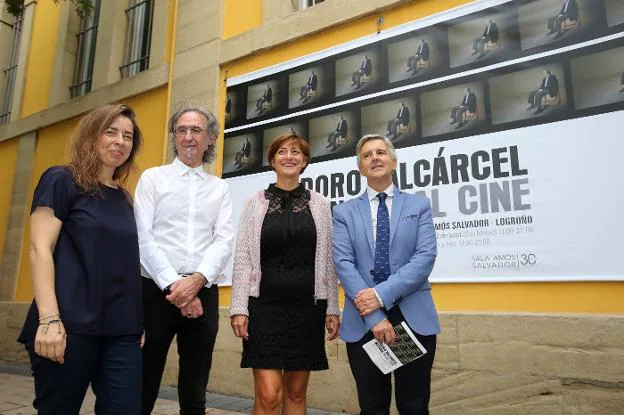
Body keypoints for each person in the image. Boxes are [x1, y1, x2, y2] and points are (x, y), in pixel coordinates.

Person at [17, 104, 144, 414]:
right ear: (91, 136)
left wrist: (136, 321)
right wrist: (49, 320)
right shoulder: (61, 179)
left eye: (127, 136)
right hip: (67, 326)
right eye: (110, 132)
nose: (120, 141)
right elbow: (39, 249)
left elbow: (126, 264)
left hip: (121, 331)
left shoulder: (124, 198)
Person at [230, 132, 340, 415]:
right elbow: (242, 258)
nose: (289, 156)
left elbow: (328, 259)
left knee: (295, 392)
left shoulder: (321, 204)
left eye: (295, 152)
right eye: (282, 151)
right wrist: (238, 308)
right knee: (268, 395)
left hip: (307, 308)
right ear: (272, 161)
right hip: (264, 308)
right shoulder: (254, 203)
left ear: (304, 161)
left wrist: (332, 308)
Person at [134, 105, 234, 415]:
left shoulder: (220, 188)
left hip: (203, 292)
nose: (188, 137)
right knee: (142, 381)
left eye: (196, 130)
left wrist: (196, 282)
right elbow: (142, 237)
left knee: (195, 386)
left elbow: (224, 240)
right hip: (154, 291)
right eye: (182, 130)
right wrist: (176, 286)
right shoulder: (152, 179)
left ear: (211, 139)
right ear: (174, 137)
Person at [332, 134, 439, 415]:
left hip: (411, 319)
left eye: (381, 152)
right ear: (360, 169)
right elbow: (343, 263)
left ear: (393, 162)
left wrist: (380, 295)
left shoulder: (418, 206)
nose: (375, 158)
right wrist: (375, 315)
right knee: (373, 406)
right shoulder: (344, 212)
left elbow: (425, 257)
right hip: (365, 321)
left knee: (413, 405)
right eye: (367, 155)